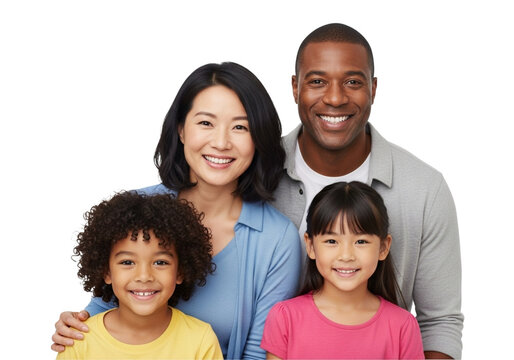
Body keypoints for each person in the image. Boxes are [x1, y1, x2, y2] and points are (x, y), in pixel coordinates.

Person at [52, 62, 302, 359]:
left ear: (259, 138)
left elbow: (259, 352)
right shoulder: (136, 209)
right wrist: (75, 325)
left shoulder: (276, 240)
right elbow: (108, 305)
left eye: (240, 127)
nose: (221, 142)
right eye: (206, 123)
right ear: (181, 129)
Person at [271, 23, 463, 359]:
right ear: (294, 87)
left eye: (353, 82)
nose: (334, 98)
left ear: (373, 89)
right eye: (317, 81)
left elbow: (440, 323)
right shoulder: (254, 173)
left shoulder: (424, 190)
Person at [261, 181, 424, 359]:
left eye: (361, 241)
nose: (346, 256)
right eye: (332, 241)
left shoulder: (403, 326)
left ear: (383, 248)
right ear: (311, 246)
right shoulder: (285, 318)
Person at [57, 192, 222, 359]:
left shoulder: (200, 340)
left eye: (160, 262)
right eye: (127, 262)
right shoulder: (78, 340)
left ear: (180, 271)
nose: (144, 276)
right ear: (106, 272)